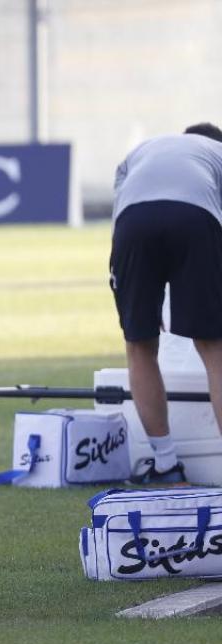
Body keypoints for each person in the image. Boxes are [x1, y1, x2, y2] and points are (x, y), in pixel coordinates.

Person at [110, 122, 222, 485]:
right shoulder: (218, 155)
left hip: (133, 222)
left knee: (139, 345)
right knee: (214, 349)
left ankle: (166, 465)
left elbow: (120, 212)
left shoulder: (146, 148)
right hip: (195, 218)